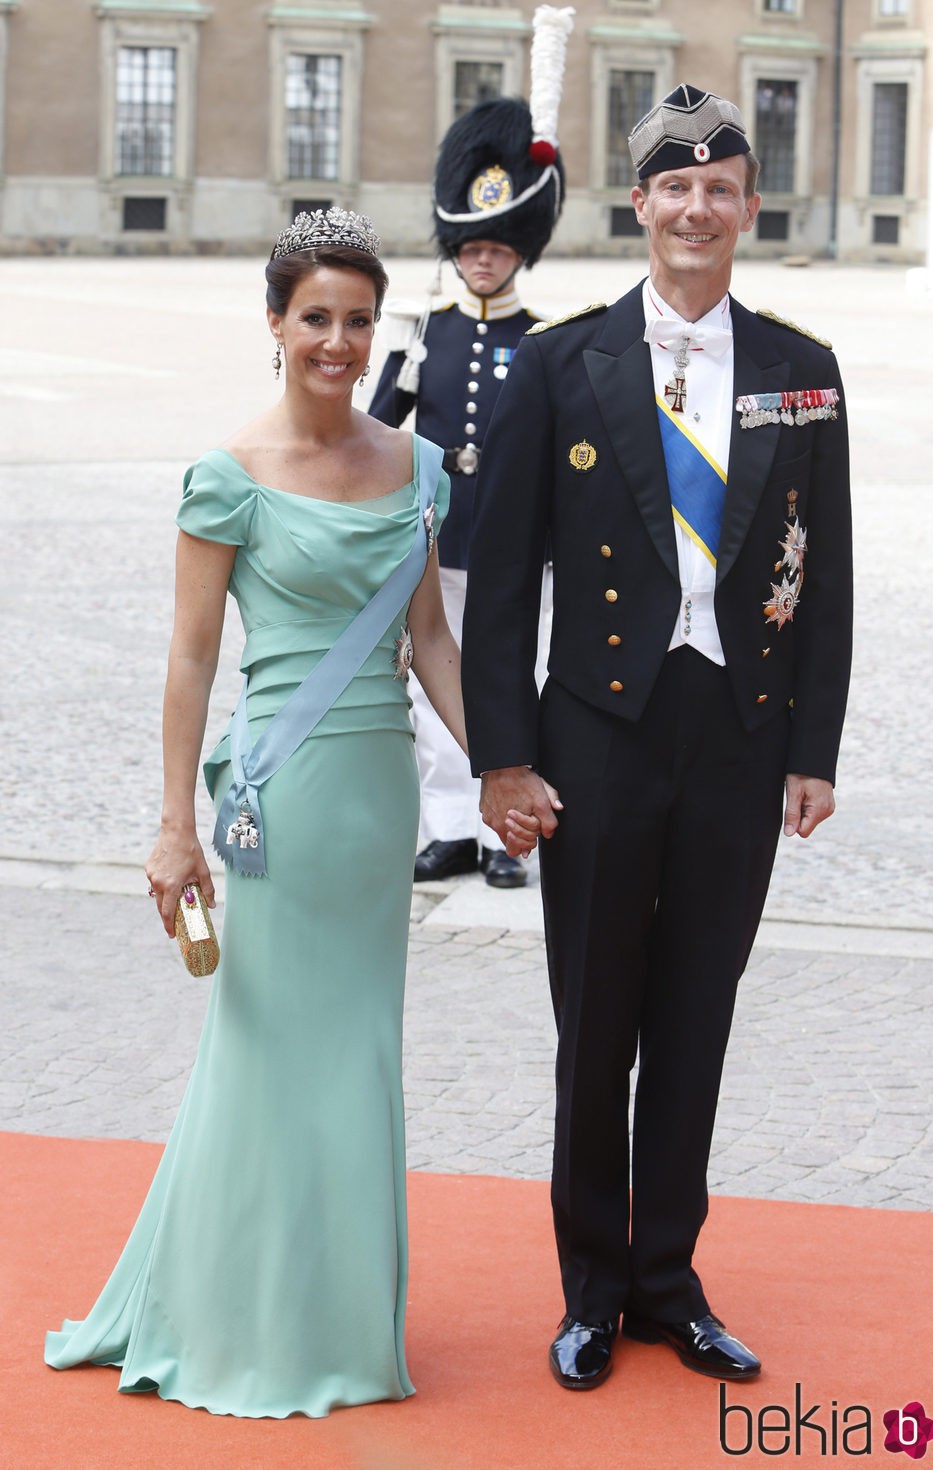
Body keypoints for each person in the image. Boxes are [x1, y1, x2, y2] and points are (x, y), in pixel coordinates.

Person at [43, 207, 536, 1418]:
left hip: (370, 806)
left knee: (357, 1055)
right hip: (279, 805)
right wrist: (171, 828)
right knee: (264, 1057)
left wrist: (498, 770)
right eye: (314, 317)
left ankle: (337, 1317)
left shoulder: (414, 468)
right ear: (274, 324)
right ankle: (239, 1312)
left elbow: (429, 640)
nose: (337, 340)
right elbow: (190, 662)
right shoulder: (227, 476)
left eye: (358, 320)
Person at [462, 84, 852, 1390]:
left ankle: (670, 1282)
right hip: (598, 735)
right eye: (673, 187)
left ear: (749, 206)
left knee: (696, 1013)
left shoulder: (803, 371)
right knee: (598, 1021)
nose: (697, 207)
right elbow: (505, 574)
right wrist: (502, 759)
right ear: (642, 203)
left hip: (738, 735)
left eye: (720, 188)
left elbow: (828, 572)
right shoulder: (562, 364)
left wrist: (815, 746)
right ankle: (590, 1286)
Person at [370, 7, 574, 891]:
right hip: (437, 544)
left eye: (498, 249)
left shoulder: (548, 340)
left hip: (515, 545)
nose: (484, 262)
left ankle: (506, 837)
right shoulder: (426, 332)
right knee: (429, 687)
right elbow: (377, 434)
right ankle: (451, 826)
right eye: (473, 249)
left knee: (508, 679)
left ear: (519, 253)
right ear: (457, 250)